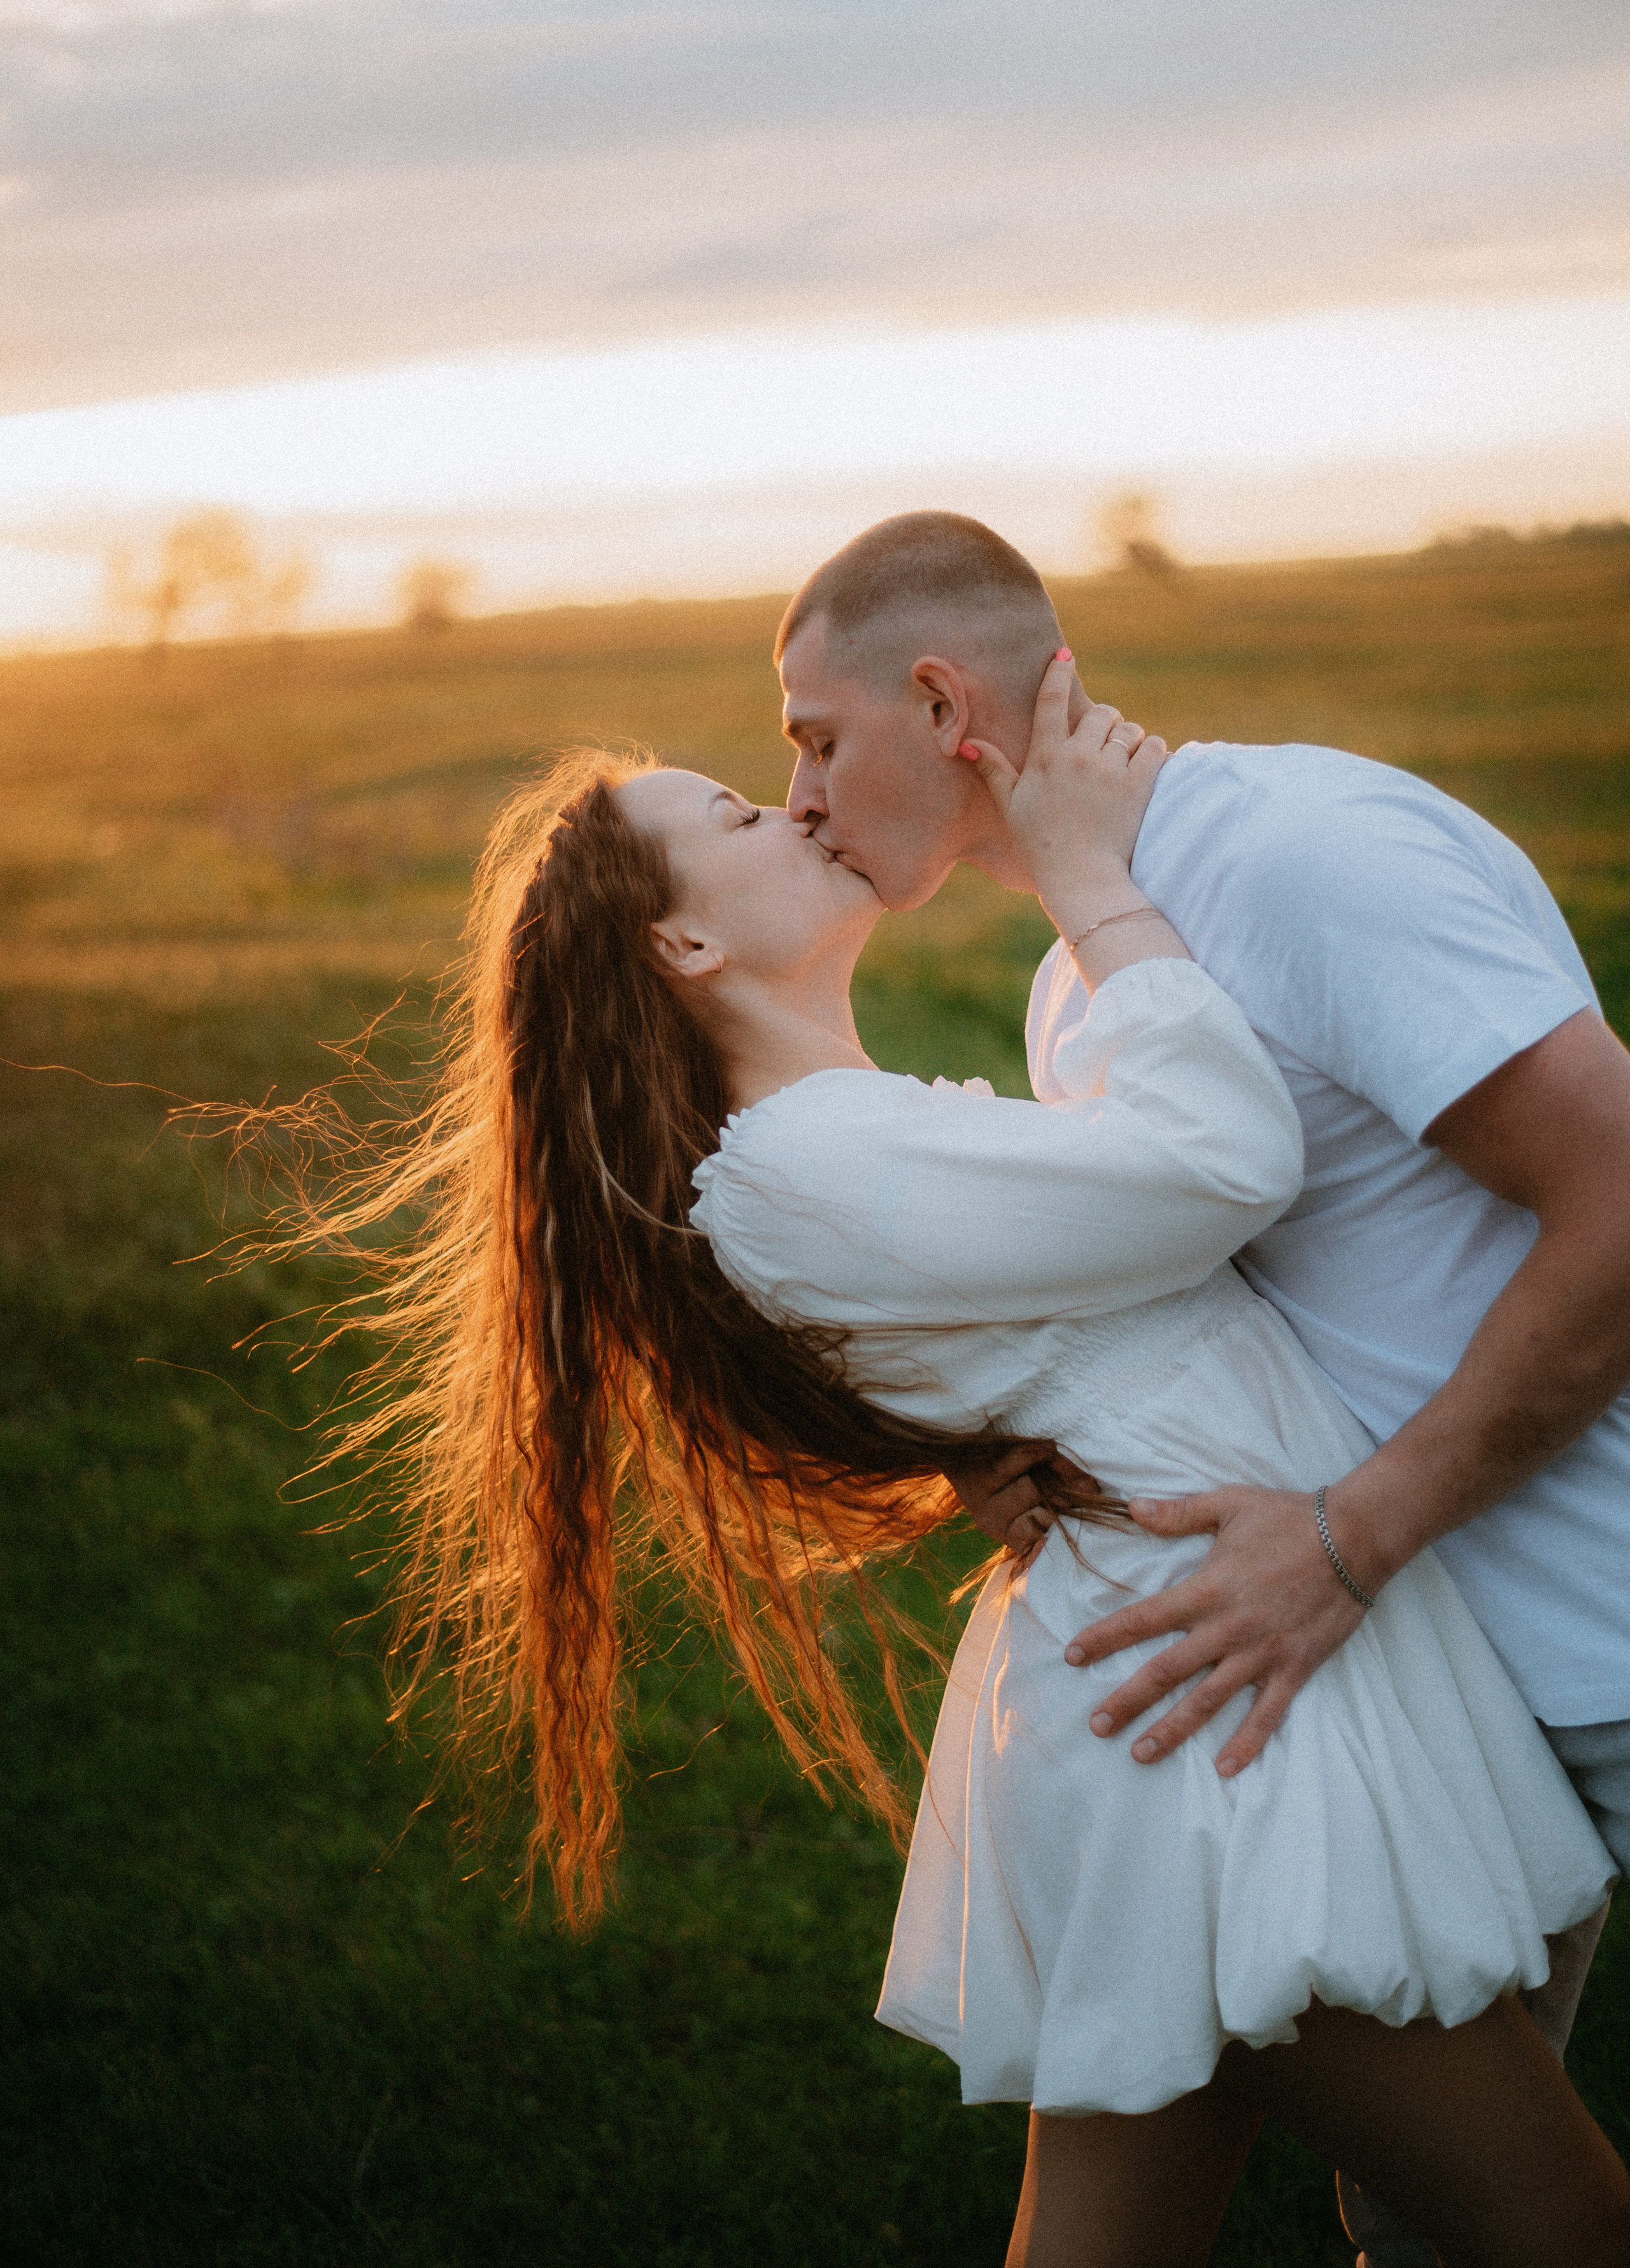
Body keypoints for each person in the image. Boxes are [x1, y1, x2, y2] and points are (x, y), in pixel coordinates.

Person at [290, 705, 1626, 2268]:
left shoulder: (849, 1138)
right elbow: (1219, 1162)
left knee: (1105, 2245)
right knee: (1565, 2227)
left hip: (1189, 1671)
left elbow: (1078, 1315)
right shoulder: (806, 1163)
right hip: (1208, 1734)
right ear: (685, 950)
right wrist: (1086, 877)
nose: (787, 814)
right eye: (731, 816)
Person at [775, 509, 1630, 2267]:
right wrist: (1018, 1454)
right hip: (1429, 1694)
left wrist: (1350, 1533)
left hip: (1596, 1625)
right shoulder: (1081, 993)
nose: (795, 796)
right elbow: (1213, 1313)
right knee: (1443, 2211)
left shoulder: (1296, 853)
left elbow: (1623, 1195)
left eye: (813, 738)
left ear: (944, 702)